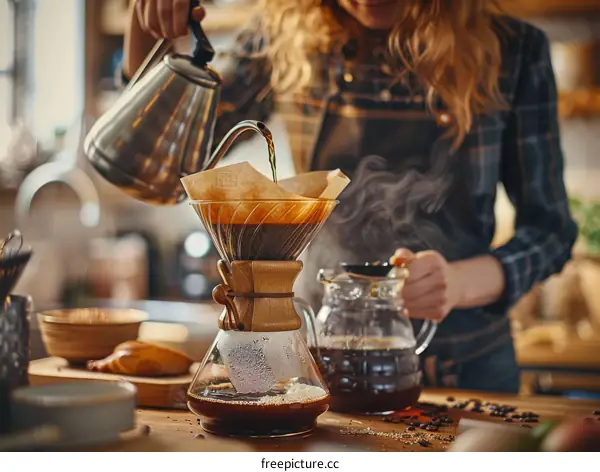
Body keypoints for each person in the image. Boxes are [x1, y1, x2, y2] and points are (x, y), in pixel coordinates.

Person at [123, 0, 577, 393]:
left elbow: (550, 232)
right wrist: (146, 26)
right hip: (316, 352)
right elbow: (167, 163)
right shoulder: (279, 37)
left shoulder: (513, 52)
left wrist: (457, 284)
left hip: (463, 364)